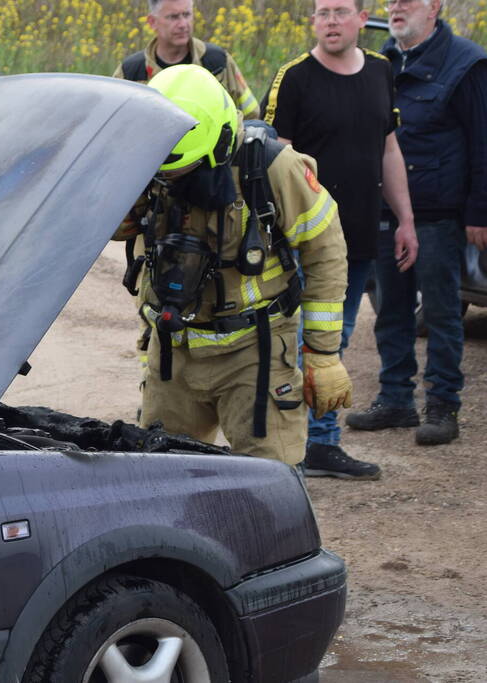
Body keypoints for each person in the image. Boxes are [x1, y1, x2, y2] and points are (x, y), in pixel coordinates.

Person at [114, 64, 352, 466]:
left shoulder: (273, 167)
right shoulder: (152, 160)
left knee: (268, 484)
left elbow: (325, 250)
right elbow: (114, 226)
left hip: (253, 353)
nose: (177, 180)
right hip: (173, 347)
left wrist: (323, 353)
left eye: (187, 172)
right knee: (160, 476)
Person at [261, 0, 417, 479]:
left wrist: (406, 219)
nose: (330, 20)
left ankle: (320, 446)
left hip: (360, 239)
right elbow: (273, 161)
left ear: (359, 19)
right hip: (303, 242)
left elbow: (389, 149)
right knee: (293, 344)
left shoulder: (381, 71)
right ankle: (286, 446)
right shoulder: (293, 78)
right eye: (322, 12)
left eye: (340, 11)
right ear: (313, 21)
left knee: (336, 342)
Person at [346, 0, 487, 445]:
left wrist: (480, 212)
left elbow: (484, 142)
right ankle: (395, 400)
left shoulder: (467, 64)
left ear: (435, 8)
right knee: (390, 309)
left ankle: (443, 406)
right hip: (385, 212)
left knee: (443, 314)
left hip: (439, 214)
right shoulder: (379, 63)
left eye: (408, 1)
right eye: (392, 1)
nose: (397, 7)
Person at [112, 0, 260, 120]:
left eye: (187, 14)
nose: (183, 24)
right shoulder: (130, 73)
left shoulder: (218, 63)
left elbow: (251, 116)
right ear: (152, 22)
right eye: (173, 17)